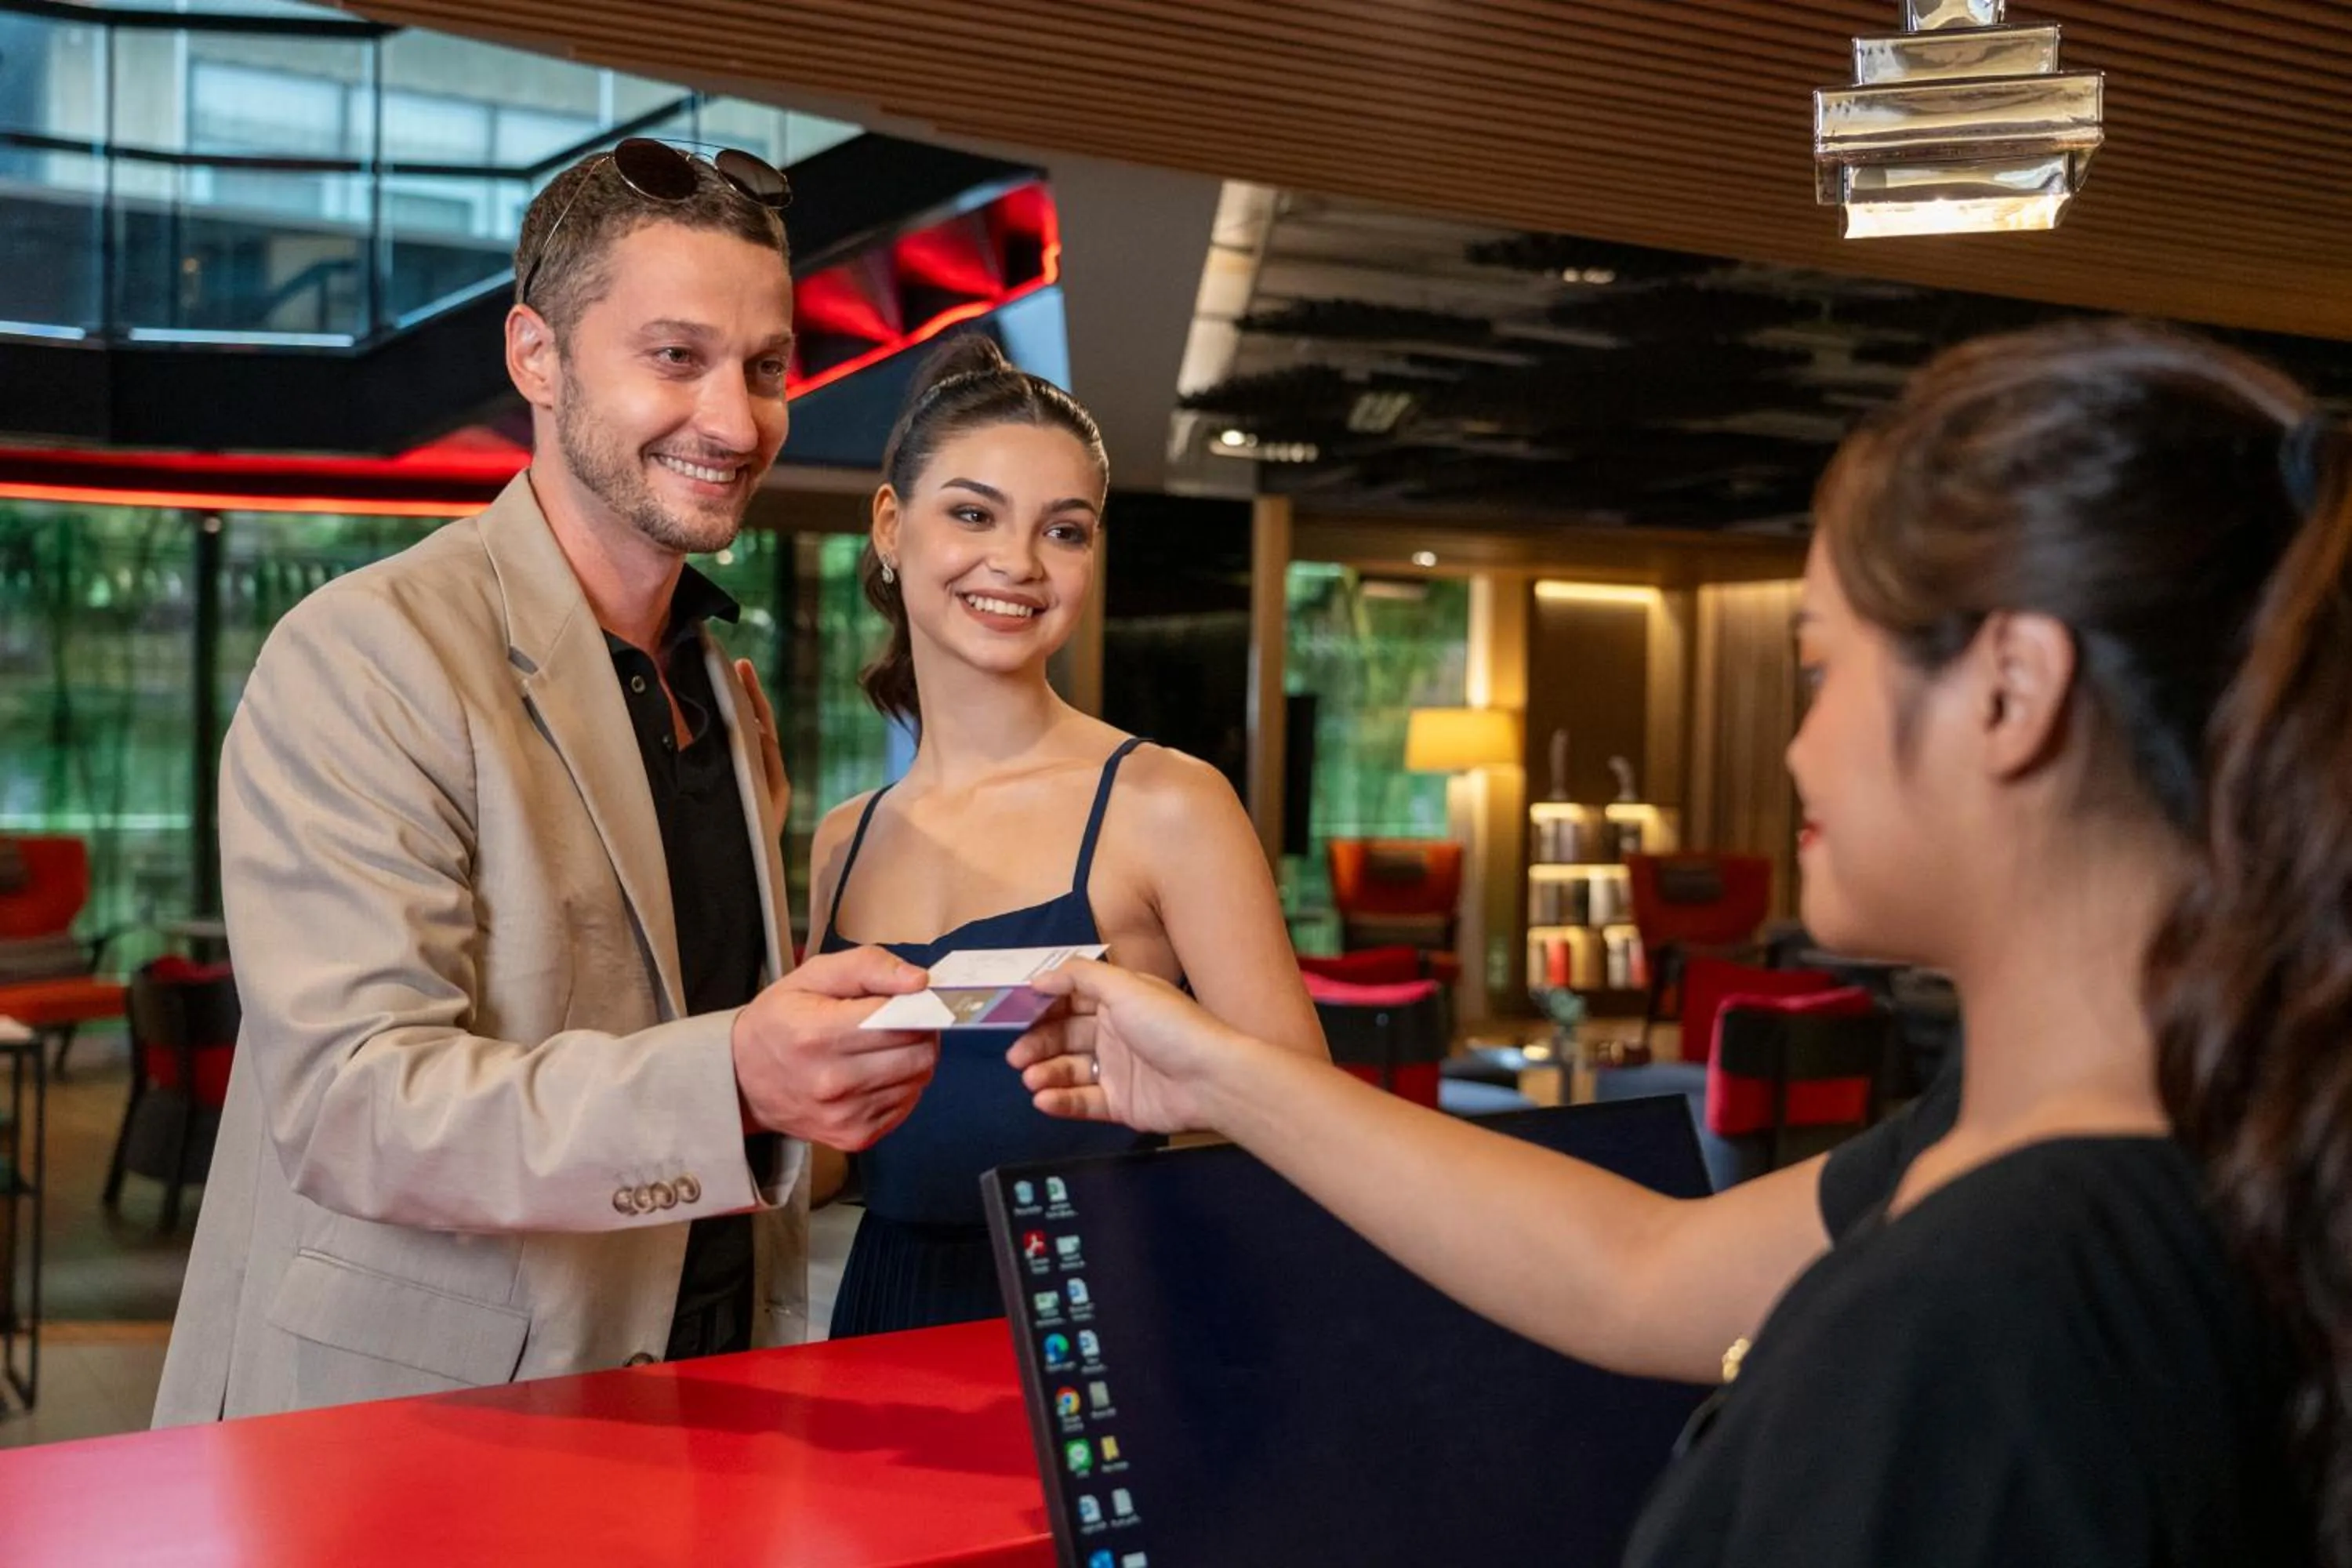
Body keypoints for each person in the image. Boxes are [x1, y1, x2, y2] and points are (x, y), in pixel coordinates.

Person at [1014, 319, 2344, 1564]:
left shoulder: (1995, 1303)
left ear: (2012, 692)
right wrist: (1217, 1075)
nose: (1795, 745)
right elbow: (1638, 1274)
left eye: (1823, 671)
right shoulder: (2119, 1143)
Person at [154, 139, 940, 1425]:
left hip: (701, 1391)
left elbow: (675, 1040)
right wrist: (740, 1076)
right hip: (425, 1432)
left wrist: (832, 1076)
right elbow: (356, 1107)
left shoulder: (722, 697)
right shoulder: (370, 654)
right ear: (537, 356)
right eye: (675, 357)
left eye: (764, 369)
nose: (736, 421)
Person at [807, 334, 1325, 1338]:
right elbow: (832, 1149)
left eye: (1066, 531)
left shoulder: (1167, 802)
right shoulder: (844, 839)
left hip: (1101, 1317)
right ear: (889, 526)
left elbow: (1308, 1121)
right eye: (972, 513)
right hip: (882, 1314)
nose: (1019, 563)